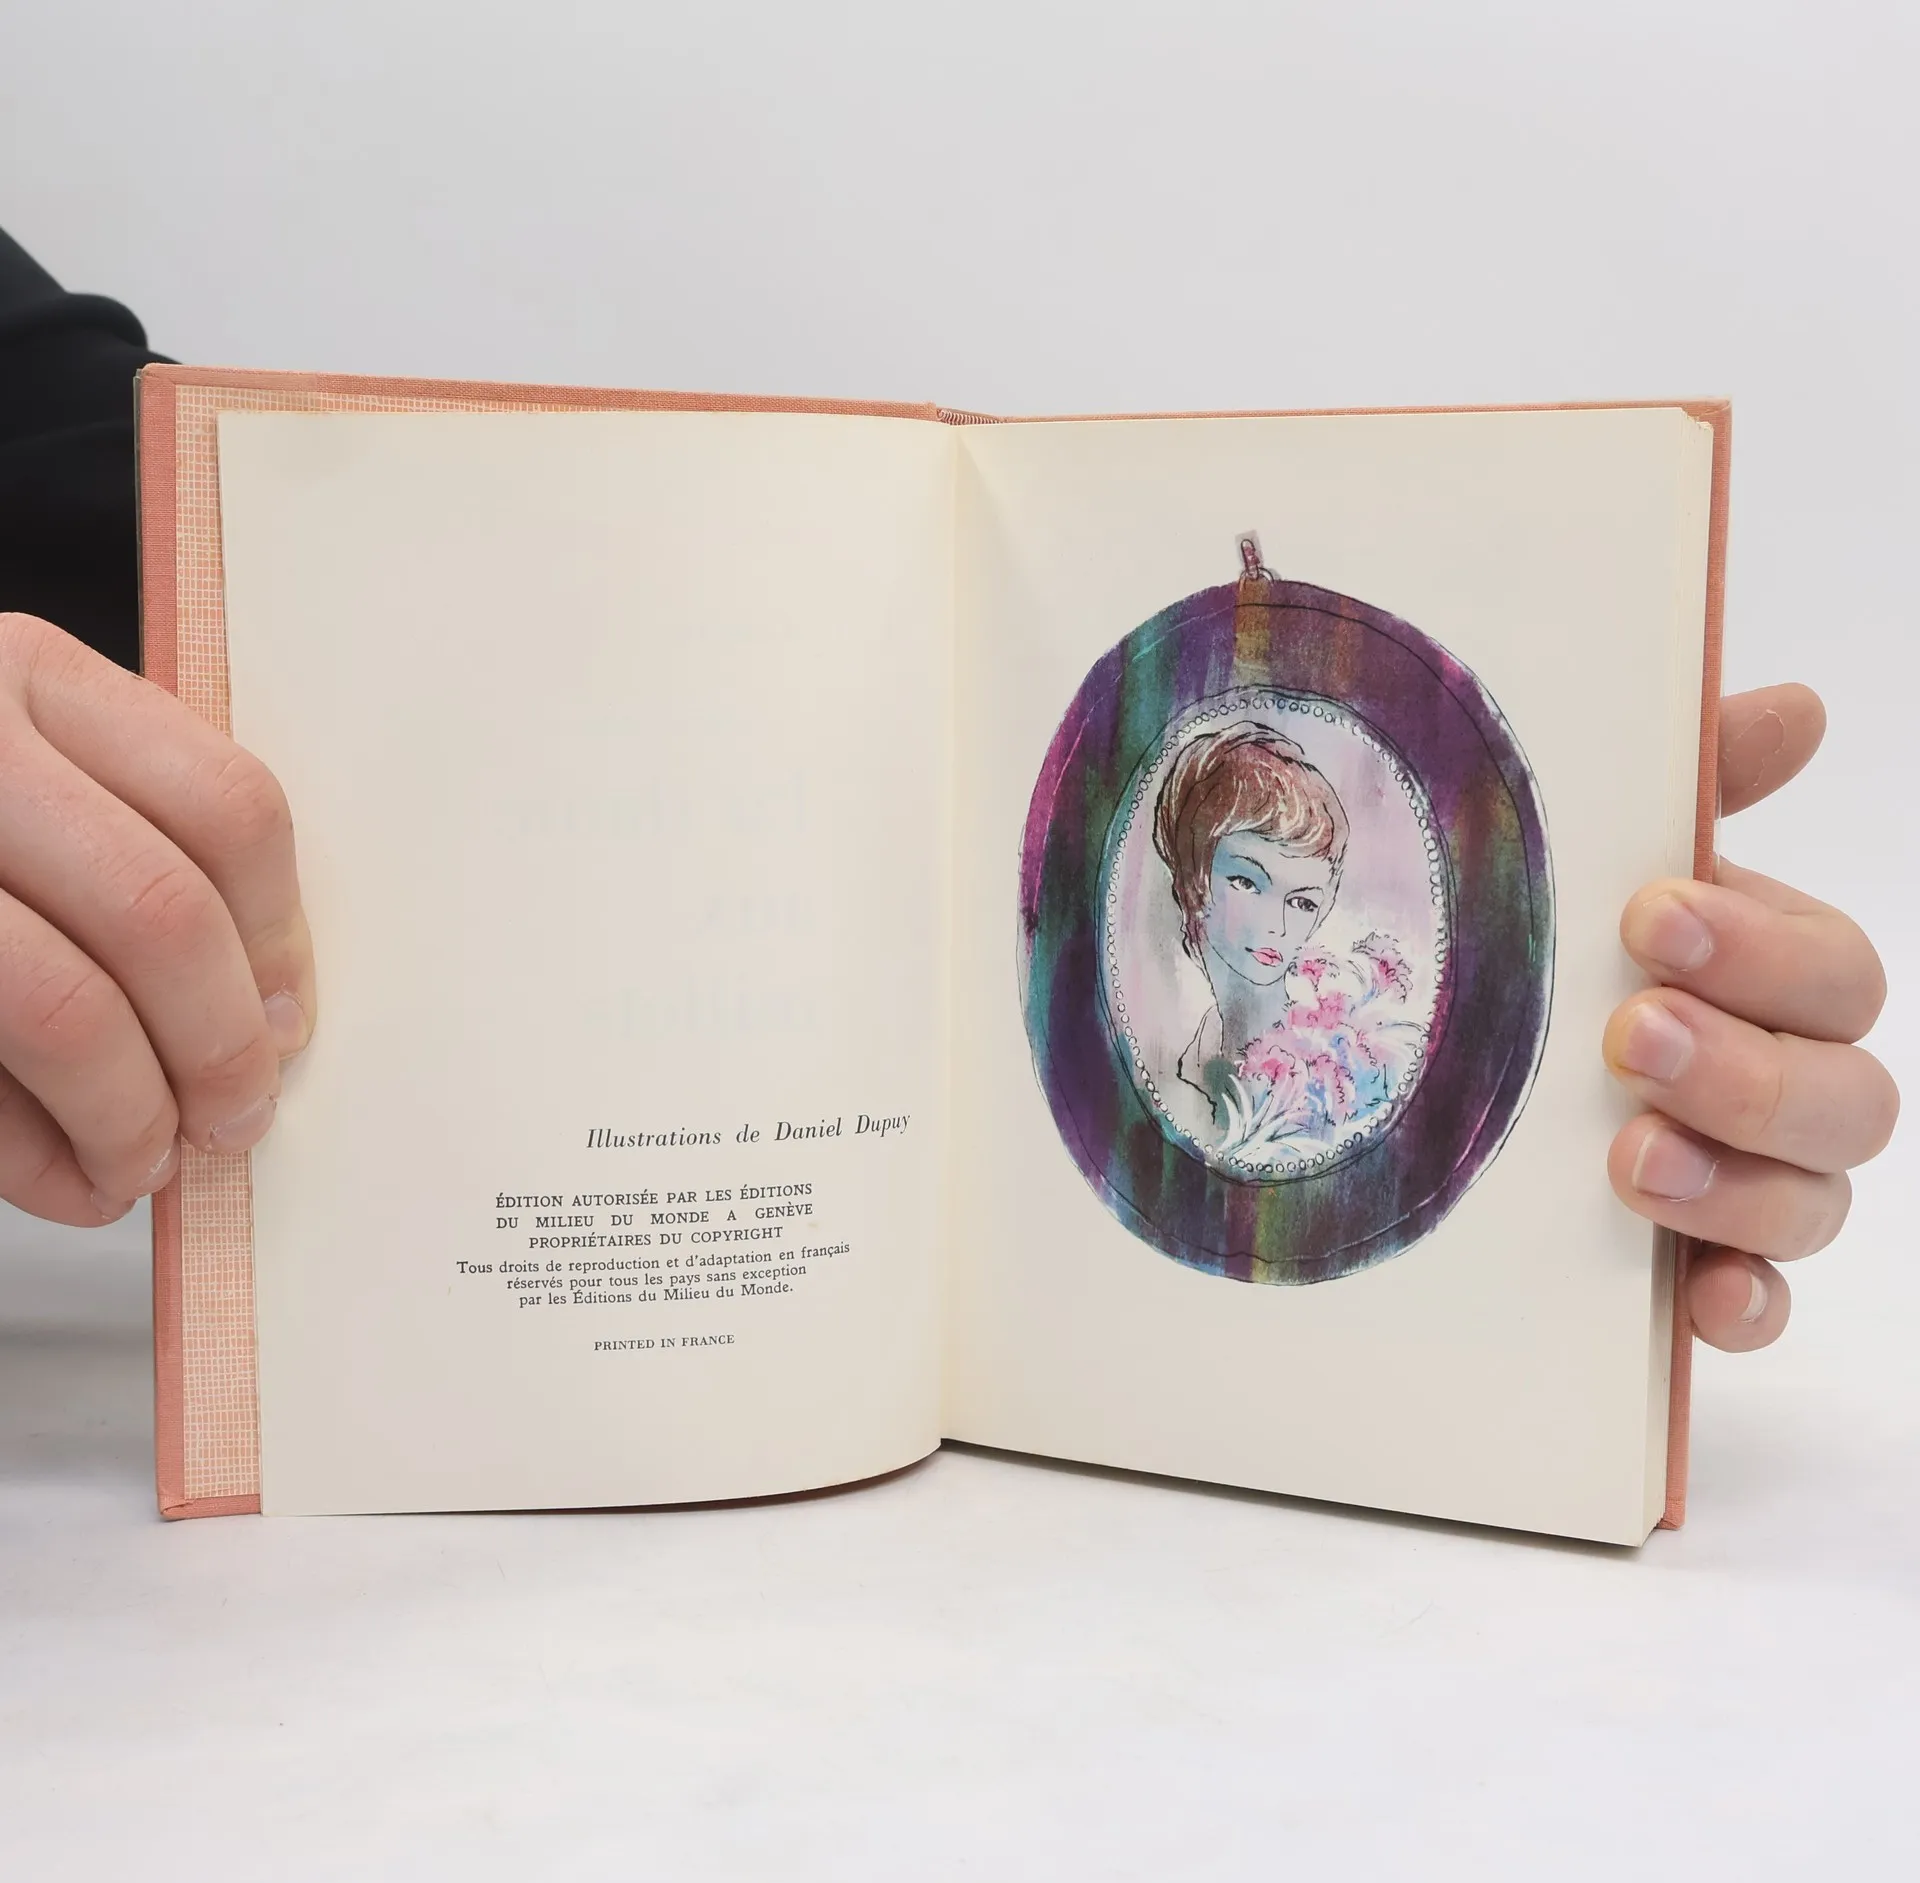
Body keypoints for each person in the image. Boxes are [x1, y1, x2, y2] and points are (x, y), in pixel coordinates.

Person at [0, 228, 1896, 1354]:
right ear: (1184, 887)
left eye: (1313, 891)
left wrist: (1583, 1115)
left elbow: (84, 477)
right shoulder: (1190, 1056)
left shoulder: (1342, 1054)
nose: (1291, 922)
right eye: (1256, 879)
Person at [1152, 719, 1425, 1167]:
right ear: (1194, 879)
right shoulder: (1193, 1061)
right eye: (1247, 882)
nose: (1277, 927)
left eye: (1302, 902)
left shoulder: (1348, 1063)